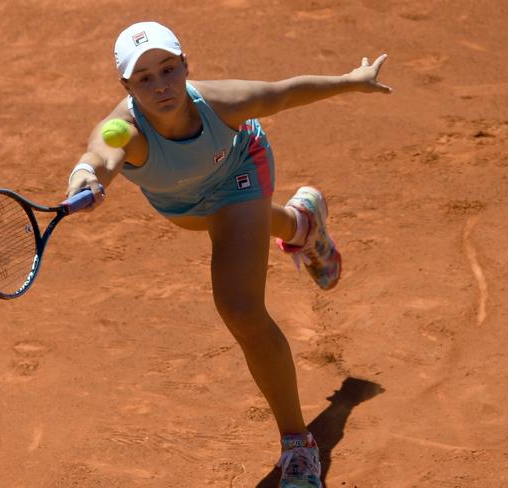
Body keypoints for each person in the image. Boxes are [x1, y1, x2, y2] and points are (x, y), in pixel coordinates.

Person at [66, 21, 391, 488]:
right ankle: (301, 224)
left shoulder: (222, 103)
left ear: (185, 66)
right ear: (127, 86)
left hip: (240, 168)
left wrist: (349, 82)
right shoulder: (127, 130)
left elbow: (282, 93)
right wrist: (84, 181)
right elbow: (99, 157)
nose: (161, 86)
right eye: (145, 78)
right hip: (182, 203)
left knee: (239, 306)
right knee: (226, 224)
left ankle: (298, 445)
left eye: (168, 69)